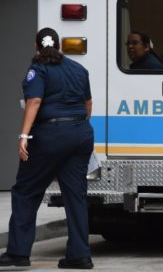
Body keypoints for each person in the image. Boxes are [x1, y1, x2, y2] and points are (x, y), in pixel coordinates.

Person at [0, 28, 94, 269]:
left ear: (36, 46)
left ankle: (19, 253)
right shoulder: (78, 69)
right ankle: (80, 255)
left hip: (49, 136)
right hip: (80, 134)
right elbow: (88, 104)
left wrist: (23, 135)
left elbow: (34, 101)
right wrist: (78, 130)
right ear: (59, 45)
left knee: (26, 191)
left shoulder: (38, 69)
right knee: (75, 196)